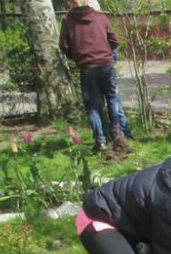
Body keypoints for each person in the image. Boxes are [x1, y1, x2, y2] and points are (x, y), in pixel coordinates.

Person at [59, 0, 125, 154]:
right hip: (106, 65)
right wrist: (106, 52)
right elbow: (115, 40)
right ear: (88, 1)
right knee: (112, 99)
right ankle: (116, 132)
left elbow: (63, 45)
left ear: (70, 3)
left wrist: (77, 56)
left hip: (87, 68)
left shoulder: (68, 20)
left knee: (93, 107)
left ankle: (100, 141)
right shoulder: (100, 17)